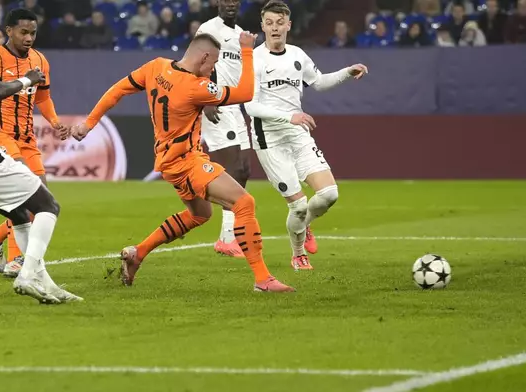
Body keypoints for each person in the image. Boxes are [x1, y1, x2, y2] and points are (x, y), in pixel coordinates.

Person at [63, 32, 294, 292]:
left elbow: (117, 90)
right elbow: (246, 92)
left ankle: (138, 253)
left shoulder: (155, 67)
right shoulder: (197, 87)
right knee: (243, 202)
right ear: (204, 57)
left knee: (200, 214)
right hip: (187, 161)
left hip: (168, 160)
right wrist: (247, 49)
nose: (213, 68)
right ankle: (263, 279)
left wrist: (89, 123)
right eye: (214, 63)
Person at [244, 0, 368, 270]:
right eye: (270, 23)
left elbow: (319, 82)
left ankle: (305, 225)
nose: (275, 28)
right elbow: (250, 105)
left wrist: (347, 72)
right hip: (270, 140)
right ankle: (298, 253)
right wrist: (290, 116)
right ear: (263, 26)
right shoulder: (254, 59)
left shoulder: (298, 55)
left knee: (329, 195)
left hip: (298, 134)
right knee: (298, 205)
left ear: (288, 25)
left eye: (280, 23)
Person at [0, 62, 81, 304]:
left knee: (18, 214)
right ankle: (27, 275)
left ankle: (45, 283)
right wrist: (27, 80)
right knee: (47, 205)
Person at [0, 9, 68, 278]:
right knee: (24, 192)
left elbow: (43, 98)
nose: (29, 37)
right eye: (23, 32)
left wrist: (54, 122)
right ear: (9, 31)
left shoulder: (40, 60)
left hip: (27, 137)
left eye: (33, 32)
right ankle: (16, 259)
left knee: (41, 199)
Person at [196, 0, 251, 258]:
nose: (230, 3)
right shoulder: (209, 28)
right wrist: (205, 98)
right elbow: (196, 63)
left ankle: (228, 237)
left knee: (244, 170)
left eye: (234, 0)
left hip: (236, 107)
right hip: (215, 102)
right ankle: (228, 239)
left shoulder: (240, 35)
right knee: (233, 169)